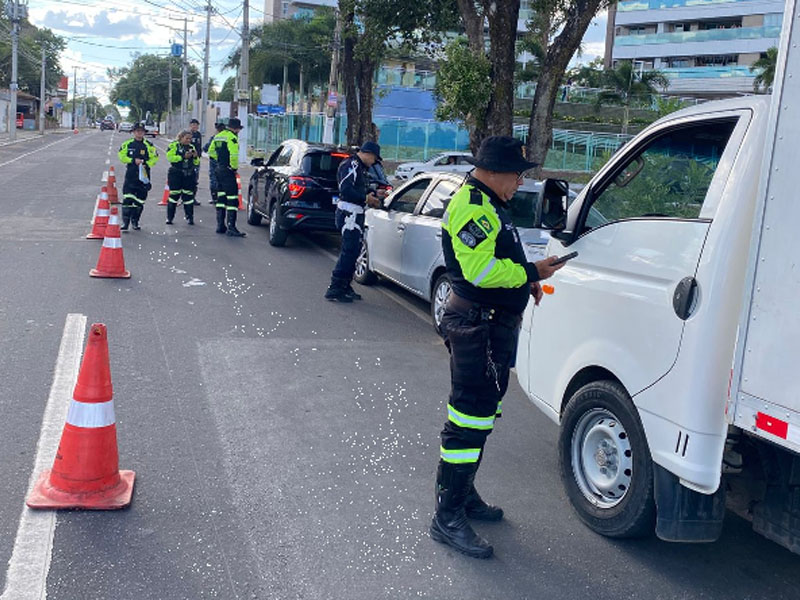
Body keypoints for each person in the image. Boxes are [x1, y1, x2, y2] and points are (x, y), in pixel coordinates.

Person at [429, 136, 565, 559]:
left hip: (490, 327)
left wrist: (526, 281)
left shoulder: (490, 203)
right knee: (468, 420)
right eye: (517, 175)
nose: (520, 184)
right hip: (477, 327)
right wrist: (530, 270)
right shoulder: (472, 205)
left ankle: (462, 496)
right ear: (494, 170)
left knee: (480, 418)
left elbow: (497, 265)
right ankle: (446, 517)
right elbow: (481, 271)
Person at [324, 141, 384, 302]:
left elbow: (359, 188)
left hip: (357, 213)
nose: (373, 163)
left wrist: (373, 193)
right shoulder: (351, 165)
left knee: (354, 251)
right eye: (374, 159)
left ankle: (345, 285)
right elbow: (346, 189)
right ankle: (335, 287)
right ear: (368, 154)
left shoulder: (362, 169)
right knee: (348, 252)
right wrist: (365, 198)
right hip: (348, 213)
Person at [208, 118, 246, 237]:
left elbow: (211, 151)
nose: (238, 132)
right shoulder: (232, 137)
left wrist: (220, 160)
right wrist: (233, 168)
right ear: (236, 128)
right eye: (238, 129)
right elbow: (234, 155)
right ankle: (231, 227)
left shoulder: (219, 136)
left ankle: (220, 225)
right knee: (232, 198)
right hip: (227, 170)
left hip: (218, 169)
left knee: (221, 197)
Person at [118, 122, 159, 231]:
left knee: (140, 201)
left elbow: (154, 158)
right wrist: (132, 161)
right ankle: (125, 223)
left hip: (144, 176)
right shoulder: (127, 144)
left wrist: (145, 163)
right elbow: (122, 156)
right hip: (131, 175)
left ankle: (135, 221)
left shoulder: (149, 145)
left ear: (144, 132)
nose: (139, 133)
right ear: (133, 132)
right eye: (137, 131)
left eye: (141, 131)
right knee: (127, 199)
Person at [165, 130, 200, 226]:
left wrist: (195, 157)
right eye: (187, 138)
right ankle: (170, 217)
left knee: (189, 196)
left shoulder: (192, 147)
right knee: (174, 196)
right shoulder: (174, 145)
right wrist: (183, 156)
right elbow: (170, 157)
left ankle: (190, 217)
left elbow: (196, 163)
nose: (189, 140)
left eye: (190, 138)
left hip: (189, 174)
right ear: (181, 137)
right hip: (176, 173)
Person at [203, 122, 226, 205]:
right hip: (225, 163)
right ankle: (222, 198)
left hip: (214, 162)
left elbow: (206, 148)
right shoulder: (229, 137)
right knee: (223, 180)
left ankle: (215, 198)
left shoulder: (214, 138)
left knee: (214, 179)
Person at [189, 118, 203, 192]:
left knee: (195, 177)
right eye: (193, 125)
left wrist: (199, 154)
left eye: (196, 125)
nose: (195, 126)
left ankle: (193, 196)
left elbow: (199, 146)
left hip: (196, 159)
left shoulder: (198, 134)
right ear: (190, 126)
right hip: (188, 158)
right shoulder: (187, 134)